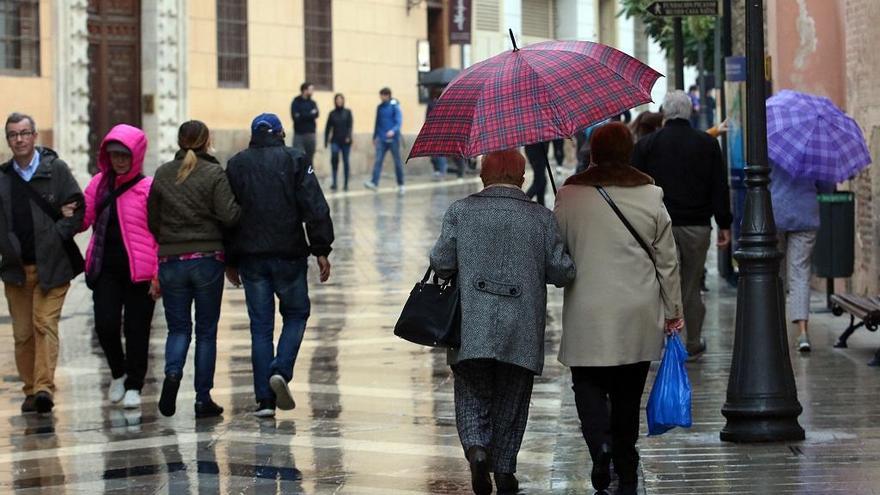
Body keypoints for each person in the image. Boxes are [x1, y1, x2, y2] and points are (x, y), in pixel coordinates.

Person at [430, 149, 575, 495]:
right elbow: (561, 272)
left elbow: (441, 263)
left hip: (470, 325)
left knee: (471, 392)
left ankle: (478, 450)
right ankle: (506, 469)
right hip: (521, 326)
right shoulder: (540, 217)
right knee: (512, 399)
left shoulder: (460, 211)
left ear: (483, 175)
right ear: (522, 179)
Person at [555, 122, 683, 495]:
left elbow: (557, 253)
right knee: (628, 393)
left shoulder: (569, 196)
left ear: (592, 153)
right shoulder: (650, 195)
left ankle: (601, 446)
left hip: (588, 313)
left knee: (588, 386)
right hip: (637, 312)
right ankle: (625, 463)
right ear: (629, 151)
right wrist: (673, 310)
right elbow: (667, 262)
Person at [225, 113, 334, 418]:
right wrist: (321, 248)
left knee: (260, 328)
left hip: (250, 257)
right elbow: (314, 204)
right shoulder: (295, 159)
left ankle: (264, 401)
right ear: (281, 133)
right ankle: (281, 370)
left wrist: (230, 259)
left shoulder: (236, 164)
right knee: (297, 314)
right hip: (288, 253)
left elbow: (227, 214)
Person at [148, 120, 241, 418]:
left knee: (178, 329)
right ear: (206, 141)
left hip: (171, 261)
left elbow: (153, 219)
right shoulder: (214, 173)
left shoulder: (162, 173)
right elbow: (229, 216)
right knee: (206, 331)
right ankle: (203, 398)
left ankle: (173, 374)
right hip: (206, 260)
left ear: (179, 141)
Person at [633, 91, 732, 360]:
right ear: (690, 112)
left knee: (664, 283)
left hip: (658, 226)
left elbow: (636, 188)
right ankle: (692, 341)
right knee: (690, 284)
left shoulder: (647, 145)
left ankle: (667, 340)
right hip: (698, 226)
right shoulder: (707, 144)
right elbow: (718, 186)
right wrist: (724, 223)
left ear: (665, 112)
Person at [0, 112, 84, 414]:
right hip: (16, 271)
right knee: (22, 334)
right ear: (8, 139)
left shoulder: (56, 169)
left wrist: (56, 234)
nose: (19, 139)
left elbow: (78, 207)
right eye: (13, 134)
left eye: (24, 133)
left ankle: (43, 389)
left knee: (44, 324)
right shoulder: (3, 177)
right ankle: (29, 388)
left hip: (53, 266)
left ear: (35, 136)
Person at [80, 124, 159, 409]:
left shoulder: (148, 188)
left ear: (136, 155)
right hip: (106, 270)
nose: (119, 160)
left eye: (124, 155)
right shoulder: (98, 184)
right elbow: (83, 219)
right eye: (114, 154)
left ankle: (135, 384)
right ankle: (118, 372)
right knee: (105, 325)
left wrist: (157, 274)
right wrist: (67, 213)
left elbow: (160, 233)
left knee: (137, 331)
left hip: (140, 273)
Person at [771, 164, 834, 352]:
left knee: (776, 274)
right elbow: (826, 187)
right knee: (800, 273)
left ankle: (776, 329)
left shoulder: (771, 148)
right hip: (805, 214)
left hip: (776, 214)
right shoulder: (814, 152)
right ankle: (803, 333)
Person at [364, 87, 405, 195]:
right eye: (380, 95)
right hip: (382, 139)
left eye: (382, 95)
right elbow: (377, 123)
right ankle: (374, 182)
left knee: (397, 162)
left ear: (387, 95)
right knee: (378, 161)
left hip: (393, 140)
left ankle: (401, 185)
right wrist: (374, 137)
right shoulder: (379, 107)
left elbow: (399, 121)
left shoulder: (394, 106)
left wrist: (393, 131)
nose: (381, 97)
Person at [324, 93, 353, 191]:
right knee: (334, 160)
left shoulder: (348, 112)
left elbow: (350, 126)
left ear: (343, 101)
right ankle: (335, 183)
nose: (339, 101)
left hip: (346, 141)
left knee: (346, 162)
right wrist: (325, 140)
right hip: (335, 140)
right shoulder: (332, 113)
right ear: (335, 101)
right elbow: (328, 128)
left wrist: (349, 136)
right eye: (337, 99)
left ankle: (345, 184)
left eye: (341, 99)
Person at [291, 82, 319, 166]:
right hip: (298, 134)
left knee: (310, 159)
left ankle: (310, 177)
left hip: (310, 134)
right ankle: (299, 178)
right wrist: (310, 114)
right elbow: (295, 117)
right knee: (297, 157)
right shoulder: (296, 102)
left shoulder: (313, 103)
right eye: (311, 89)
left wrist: (302, 114)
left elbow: (317, 114)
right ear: (305, 90)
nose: (313, 91)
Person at [524, 141, 550, 206]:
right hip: (537, 152)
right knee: (539, 181)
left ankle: (541, 205)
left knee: (542, 180)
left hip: (537, 151)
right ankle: (522, 203)